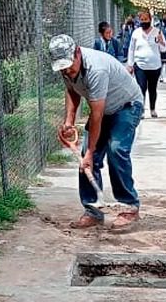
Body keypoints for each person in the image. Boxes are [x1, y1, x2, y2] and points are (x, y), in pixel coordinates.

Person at [49, 33, 143, 231]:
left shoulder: (96, 70)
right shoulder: (66, 68)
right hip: (104, 108)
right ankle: (93, 210)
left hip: (126, 106)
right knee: (86, 160)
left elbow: (97, 115)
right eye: (62, 68)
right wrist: (69, 122)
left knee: (116, 150)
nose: (66, 71)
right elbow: (72, 91)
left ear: (77, 53)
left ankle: (129, 206)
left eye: (68, 65)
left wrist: (91, 153)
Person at [126, 9, 166, 118]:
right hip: (140, 66)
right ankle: (141, 110)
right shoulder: (136, 33)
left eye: (146, 19)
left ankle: (152, 109)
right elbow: (131, 49)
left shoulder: (157, 32)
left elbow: (163, 49)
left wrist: (161, 41)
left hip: (155, 66)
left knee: (152, 89)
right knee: (141, 88)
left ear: (150, 20)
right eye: (142, 19)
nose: (144, 21)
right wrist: (130, 64)